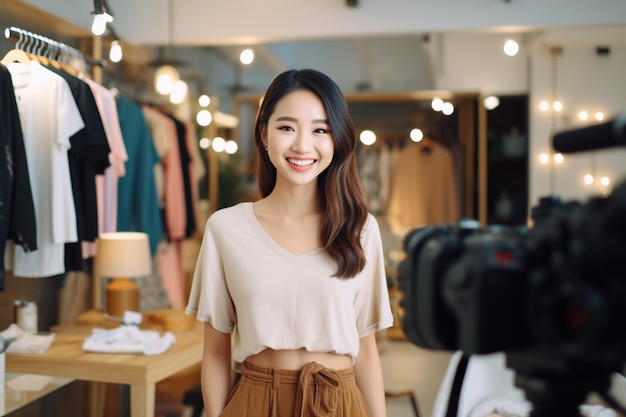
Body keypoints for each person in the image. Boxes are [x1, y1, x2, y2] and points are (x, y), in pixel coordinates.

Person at [186, 68, 394, 417]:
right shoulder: (226, 228)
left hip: (339, 402)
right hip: (254, 400)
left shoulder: (361, 230)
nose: (302, 145)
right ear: (264, 135)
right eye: (287, 127)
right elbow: (215, 351)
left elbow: (367, 351)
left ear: (337, 139)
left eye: (320, 130)